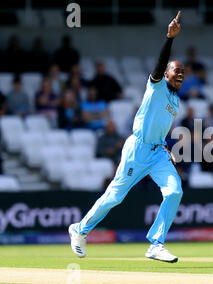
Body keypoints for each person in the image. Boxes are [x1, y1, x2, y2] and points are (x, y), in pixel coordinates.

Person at [68, 12, 185, 263]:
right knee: (115, 197)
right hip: (137, 149)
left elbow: (160, 127)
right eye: (176, 71)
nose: (180, 75)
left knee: (174, 192)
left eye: (182, 73)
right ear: (165, 74)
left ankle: (156, 243)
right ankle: (80, 229)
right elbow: (159, 65)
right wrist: (169, 38)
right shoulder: (157, 86)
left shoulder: (176, 101)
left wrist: (167, 148)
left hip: (157, 152)